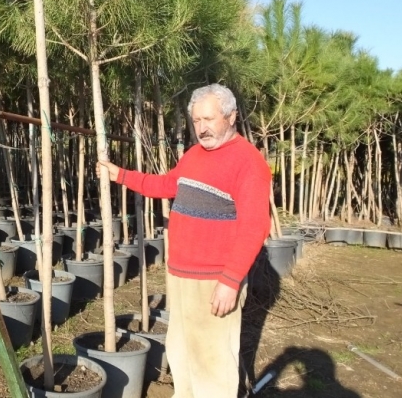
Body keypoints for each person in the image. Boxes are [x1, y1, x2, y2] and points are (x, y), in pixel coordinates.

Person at [97, 83, 271, 397]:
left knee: (212, 359)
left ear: (231, 117)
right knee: (183, 351)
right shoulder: (194, 155)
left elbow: (255, 226)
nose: (202, 129)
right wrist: (120, 175)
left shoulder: (248, 162)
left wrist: (231, 281)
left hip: (213, 279)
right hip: (180, 274)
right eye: (196, 121)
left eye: (209, 119)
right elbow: (166, 184)